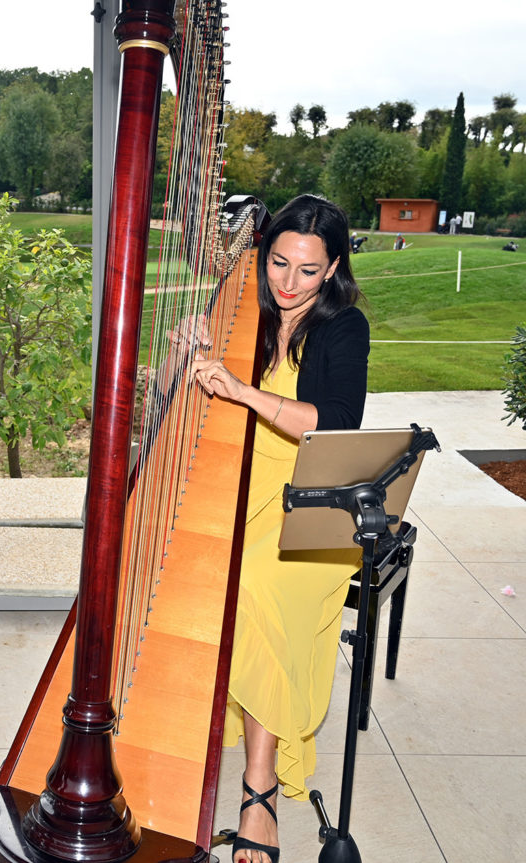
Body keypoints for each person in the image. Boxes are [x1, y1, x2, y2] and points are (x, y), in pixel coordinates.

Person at [190, 194, 370, 863]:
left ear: (333, 269)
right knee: (207, 572)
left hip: (312, 501)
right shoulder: (248, 308)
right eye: (278, 263)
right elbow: (208, 390)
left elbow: (335, 423)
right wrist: (194, 347)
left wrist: (241, 389)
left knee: (256, 585)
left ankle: (258, 787)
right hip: (244, 486)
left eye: (307, 270)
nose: (287, 283)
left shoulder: (343, 327)